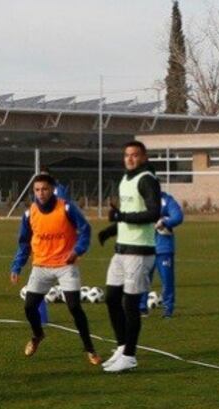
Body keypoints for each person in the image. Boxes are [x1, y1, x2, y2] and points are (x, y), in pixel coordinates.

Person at [10, 174, 100, 365]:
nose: (41, 193)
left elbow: (85, 229)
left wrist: (77, 250)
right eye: (37, 190)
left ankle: (90, 348)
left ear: (52, 190)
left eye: (44, 189)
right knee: (29, 307)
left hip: (65, 265)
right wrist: (17, 266)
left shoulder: (66, 208)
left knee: (74, 307)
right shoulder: (29, 214)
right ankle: (37, 335)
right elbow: (24, 243)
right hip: (41, 266)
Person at [96, 141, 161, 373]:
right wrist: (110, 230)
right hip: (122, 250)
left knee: (130, 304)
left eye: (135, 155)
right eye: (127, 155)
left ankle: (130, 356)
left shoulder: (146, 179)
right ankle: (123, 347)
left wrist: (121, 216)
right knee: (112, 298)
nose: (130, 159)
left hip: (139, 251)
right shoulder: (126, 179)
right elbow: (127, 216)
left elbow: (154, 212)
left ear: (143, 157)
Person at [139, 192, 184, 318]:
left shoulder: (167, 200)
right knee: (143, 278)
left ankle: (168, 310)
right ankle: (142, 308)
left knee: (167, 280)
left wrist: (164, 221)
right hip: (145, 246)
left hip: (164, 248)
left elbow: (178, 216)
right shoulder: (141, 199)